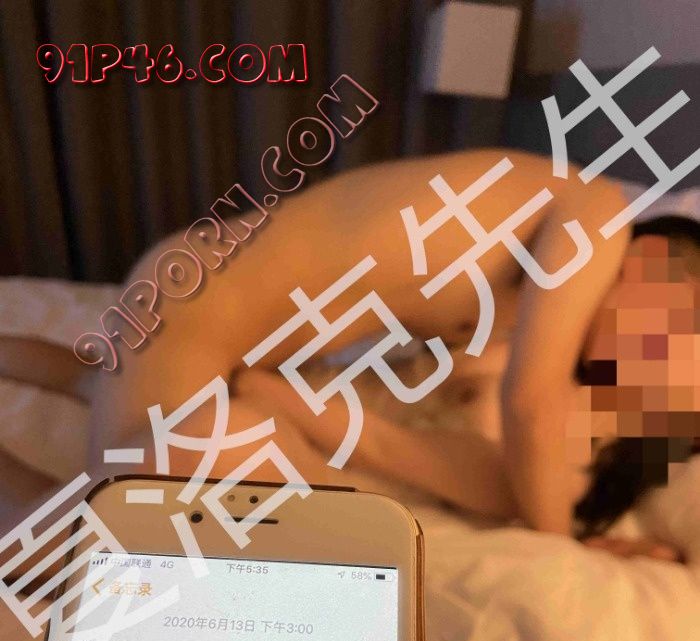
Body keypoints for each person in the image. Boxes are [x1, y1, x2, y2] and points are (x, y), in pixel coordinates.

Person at [0, 149, 698, 562]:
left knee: (102, 385)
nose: (643, 364)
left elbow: (497, 423)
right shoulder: (599, 214)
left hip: (223, 333)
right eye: (673, 336)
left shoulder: (534, 299)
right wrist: (565, 548)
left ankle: (85, 384)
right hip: (200, 311)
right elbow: (530, 407)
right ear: (664, 265)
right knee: (88, 546)